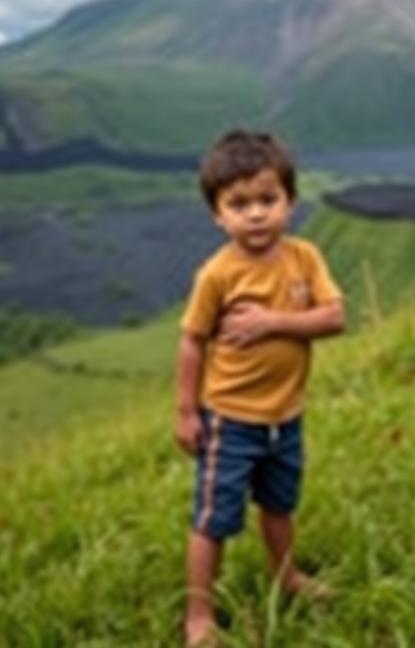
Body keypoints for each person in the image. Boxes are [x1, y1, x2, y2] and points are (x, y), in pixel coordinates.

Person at [174, 129, 346, 647]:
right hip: (230, 419)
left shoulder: (305, 258)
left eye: (268, 199)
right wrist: (187, 411)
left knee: (279, 505)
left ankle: (286, 576)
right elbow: (191, 342)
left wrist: (273, 323)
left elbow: (335, 317)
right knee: (214, 520)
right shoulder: (217, 275)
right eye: (239, 203)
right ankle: (198, 616)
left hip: (285, 417)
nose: (255, 214)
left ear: (289, 202)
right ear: (217, 215)